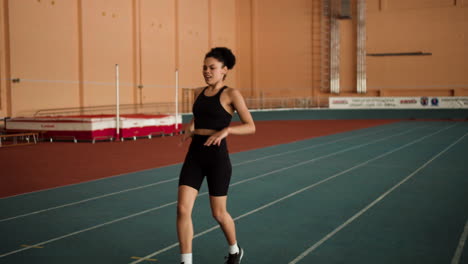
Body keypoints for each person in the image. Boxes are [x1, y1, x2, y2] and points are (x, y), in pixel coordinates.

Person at [177, 47, 255, 264]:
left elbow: (251, 126)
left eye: (212, 68)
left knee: (218, 214)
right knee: (182, 209)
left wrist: (228, 130)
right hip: (195, 154)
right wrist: (190, 129)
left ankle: (234, 250)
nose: (207, 71)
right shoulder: (197, 93)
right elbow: (200, 117)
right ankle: (186, 261)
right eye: (204, 67)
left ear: (224, 70)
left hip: (217, 158)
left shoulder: (231, 94)